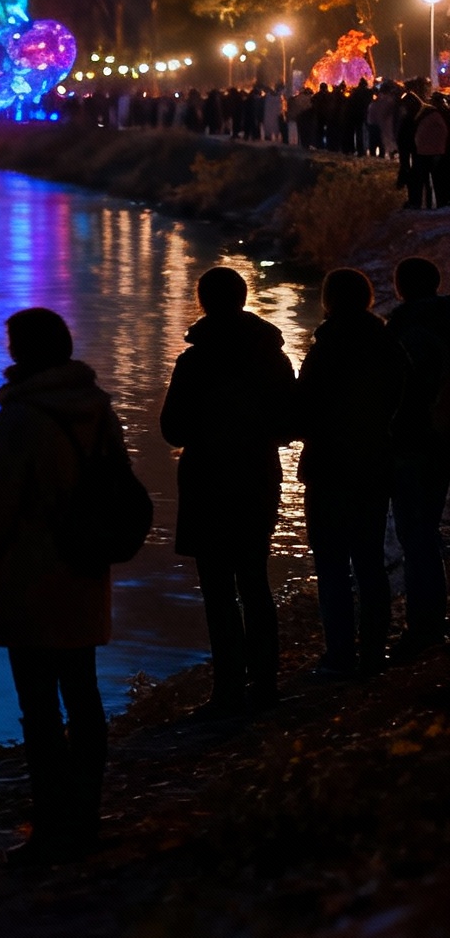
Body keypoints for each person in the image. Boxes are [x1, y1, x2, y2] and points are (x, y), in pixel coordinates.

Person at [0, 307, 124, 867]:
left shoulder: (16, 422)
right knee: (84, 696)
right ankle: (86, 813)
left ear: (20, 352)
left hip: (30, 580)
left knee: (38, 708)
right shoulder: (98, 408)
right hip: (84, 570)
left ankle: (51, 823)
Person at [159, 267, 296, 712]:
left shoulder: (194, 361)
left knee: (217, 589)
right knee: (255, 581)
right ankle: (266, 683)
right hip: (257, 475)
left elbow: (172, 430)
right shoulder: (272, 356)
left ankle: (227, 689)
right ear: (243, 297)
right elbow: (291, 422)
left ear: (202, 302)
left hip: (207, 480)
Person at [294, 269, 409, 677]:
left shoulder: (325, 350)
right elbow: (400, 401)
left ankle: (340, 653)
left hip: (328, 468)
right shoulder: (388, 345)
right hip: (374, 465)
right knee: (369, 560)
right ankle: (375, 649)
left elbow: (302, 412)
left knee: (331, 565)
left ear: (328, 302)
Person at [387, 256, 450, 658]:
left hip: (414, 444)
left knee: (417, 534)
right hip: (444, 439)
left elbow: (399, 393)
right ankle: (432, 621)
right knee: (428, 529)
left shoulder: (407, 329)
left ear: (400, 288)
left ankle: (424, 627)